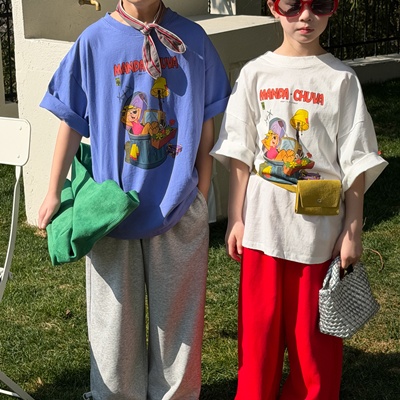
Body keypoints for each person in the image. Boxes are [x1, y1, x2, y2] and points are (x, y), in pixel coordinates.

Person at [38, 0, 231, 399]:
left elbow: (206, 119)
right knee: (113, 332)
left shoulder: (192, 41)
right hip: (111, 215)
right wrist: (53, 190)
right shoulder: (93, 43)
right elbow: (70, 118)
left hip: (177, 209)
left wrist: (200, 192)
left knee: (177, 328)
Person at [210, 0, 387, 399]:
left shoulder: (341, 79)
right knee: (258, 346)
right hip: (263, 233)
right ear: (274, 8)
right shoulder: (255, 73)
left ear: (333, 8)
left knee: (314, 351)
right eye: (292, 5)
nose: (306, 16)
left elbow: (357, 160)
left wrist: (352, 230)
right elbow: (240, 151)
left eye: (319, 4)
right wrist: (236, 217)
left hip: (318, 240)